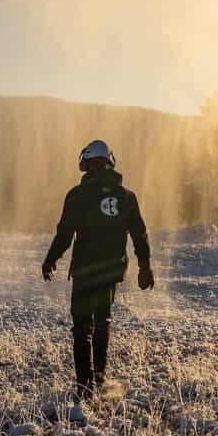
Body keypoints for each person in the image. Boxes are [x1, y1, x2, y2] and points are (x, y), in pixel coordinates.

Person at [43, 140, 154, 399]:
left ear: (86, 163)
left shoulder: (77, 195)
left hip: (84, 271)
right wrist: (145, 266)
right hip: (112, 271)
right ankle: (101, 381)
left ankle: (85, 389)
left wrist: (51, 259)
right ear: (109, 162)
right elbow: (140, 235)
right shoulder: (126, 197)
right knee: (102, 323)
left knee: (82, 328)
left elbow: (65, 234)